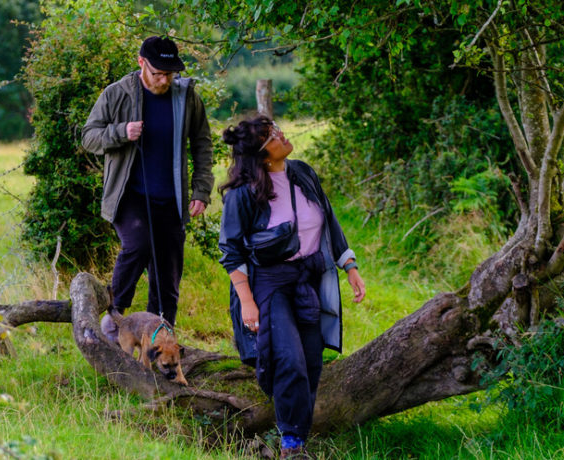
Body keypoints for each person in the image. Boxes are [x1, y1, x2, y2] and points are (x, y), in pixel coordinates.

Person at [218, 116, 366, 458]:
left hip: (308, 277)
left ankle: (298, 431)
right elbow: (231, 252)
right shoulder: (243, 195)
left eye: (277, 130)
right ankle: (291, 445)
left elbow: (328, 218)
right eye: (272, 136)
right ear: (262, 155)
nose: (281, 135)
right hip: (268, 283)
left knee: (312, 361)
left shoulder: (302, 172)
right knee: (288, 358)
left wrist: (350, 266)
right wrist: (247, 303)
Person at [82, 36, 214, 327]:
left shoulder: (187, 97)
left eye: (170, 73)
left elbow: (203, 144)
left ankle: (160, 337)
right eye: (158, 73)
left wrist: (201, 190)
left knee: (167, 278)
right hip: (130, 195)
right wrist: (120, 132)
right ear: (141, 63)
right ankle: (114, 320)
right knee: (138, 243)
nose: (164, 80)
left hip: (171, 198)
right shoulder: (117, 94)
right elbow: (89, 136)